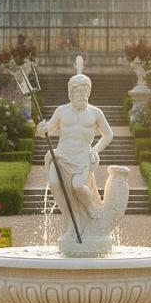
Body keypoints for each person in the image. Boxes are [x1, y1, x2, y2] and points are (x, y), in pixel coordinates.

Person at [36, 56, 113, 228]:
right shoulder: (61, 111)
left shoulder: (95, 113)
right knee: (55, 183)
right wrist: (41, 129)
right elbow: (48, 130)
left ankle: (90, 206)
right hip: (62, 155)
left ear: (89, 93)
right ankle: (69, 218)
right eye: (78, 92)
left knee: (78, 186)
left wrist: (95, 150)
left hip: (82, 157)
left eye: (85, 92)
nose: (81, 95)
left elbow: (108, 134)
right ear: (70, 94)